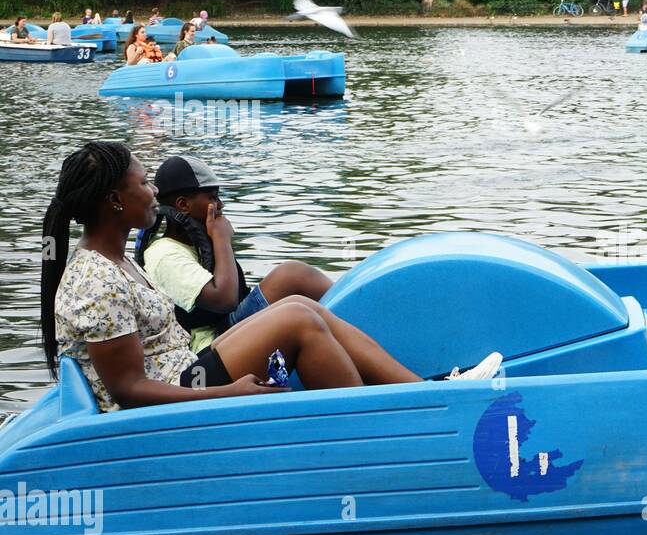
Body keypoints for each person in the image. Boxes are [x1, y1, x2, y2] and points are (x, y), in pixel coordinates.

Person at [40, 142, 502, 413]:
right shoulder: (94, 281)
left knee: (299, 305)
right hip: (184, 385)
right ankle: (396, 417)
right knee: (295, 319)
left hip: (187, 370)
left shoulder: (118, 261)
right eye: (143, 183)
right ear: (114, 202)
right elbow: (127, 390)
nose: (153, 191)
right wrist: (227, 392)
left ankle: (423, 396)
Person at [139, 154, 337, 355]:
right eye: (213, 197)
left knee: (296, 291)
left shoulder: (195, 245)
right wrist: (221, 239)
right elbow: (225, 300)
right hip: (208, 347)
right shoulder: (163, 253)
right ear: (183, 205)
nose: (220, 205)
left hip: (227, 330)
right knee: (292, 276)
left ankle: (354, 326)